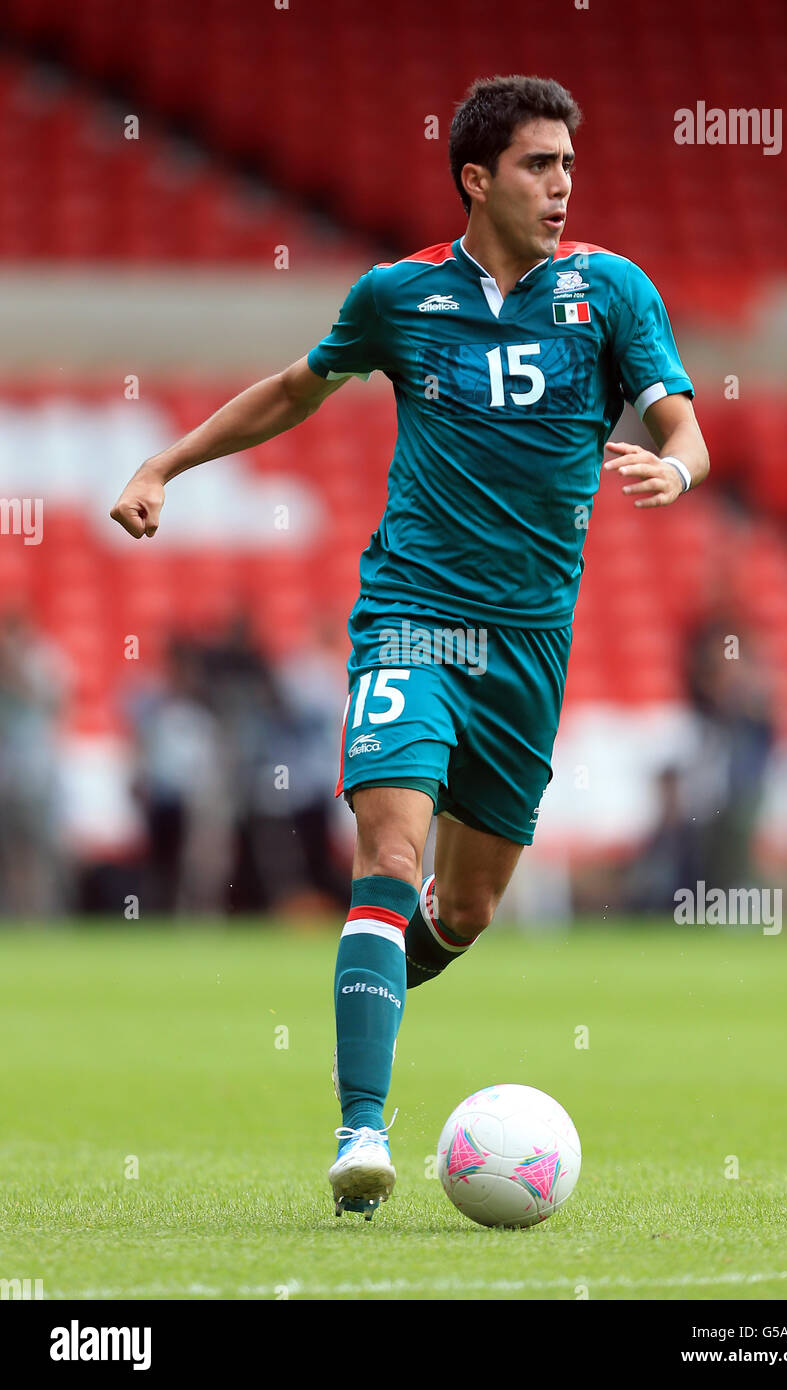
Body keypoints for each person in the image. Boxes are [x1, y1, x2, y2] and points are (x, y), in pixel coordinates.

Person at [110, 75, 709, 1219]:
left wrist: (672, 465)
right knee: (386, 854)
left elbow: (678, 417)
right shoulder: (398, 297)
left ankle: (370, 978)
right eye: (539, 165)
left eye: (568, 166)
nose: (561, 185)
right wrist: (160, 467)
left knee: (466, 908)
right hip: (410, 621)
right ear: (477, 178)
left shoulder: (610, 292)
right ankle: (362, 1127)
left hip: (528, 648)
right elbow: (297, 388)